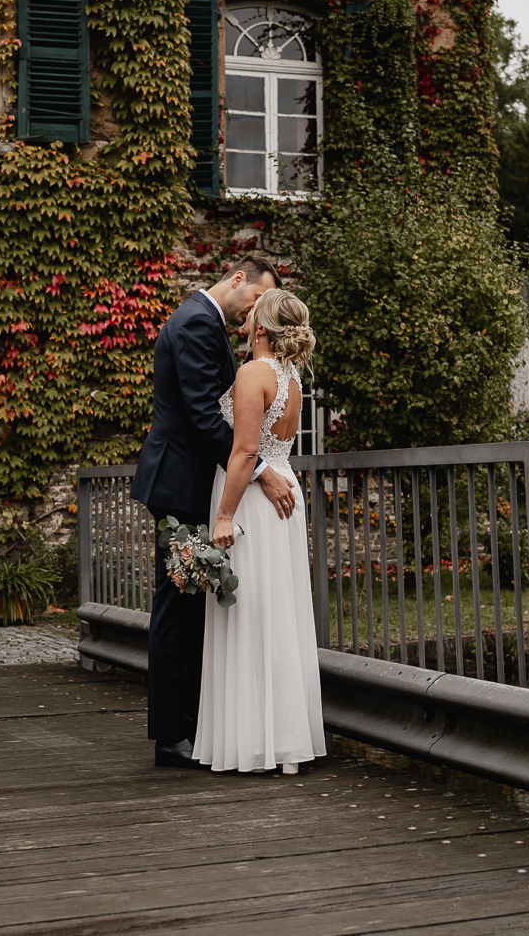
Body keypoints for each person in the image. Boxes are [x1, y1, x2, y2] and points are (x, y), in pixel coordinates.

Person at [132, 256, 298, 769]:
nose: (256, 313)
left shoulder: (205, 322)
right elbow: (205, 415)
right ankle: (171, 736)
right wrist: (259, 469)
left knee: (193, 604)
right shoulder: (196, 323)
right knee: (178, 604)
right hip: (180, 484)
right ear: (237, 279)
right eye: (256, 299)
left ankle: (197, 724)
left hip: (191, 481)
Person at [195, 287, 324, 775]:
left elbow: (246, 452)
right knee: (278, 615)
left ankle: (255, 745)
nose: (244, 317)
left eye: (252, 314)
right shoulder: (292, 377)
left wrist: (223, 515)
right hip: (284, 491)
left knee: (250, 616)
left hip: (253, 501)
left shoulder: (253, 373)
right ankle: (284, 745)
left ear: (263, 329)